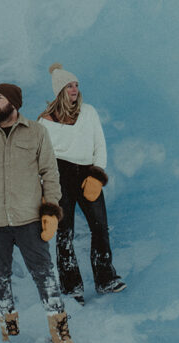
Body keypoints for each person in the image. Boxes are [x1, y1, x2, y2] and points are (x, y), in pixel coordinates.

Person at [0, 82, 83, 343]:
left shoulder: (37, 133)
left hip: (28, 220)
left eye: (0, 98)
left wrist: (51, 211)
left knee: (45, 275)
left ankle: (61, 332)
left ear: (14, 103)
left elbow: (50, 174)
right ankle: (8, 330)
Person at [39, 63, 125, 303]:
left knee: (100, 227)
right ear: (59, 90)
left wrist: (97, 175)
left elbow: (100, 145)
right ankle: (71, 287)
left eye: (76, 85)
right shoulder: (44, 123)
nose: (74, 89)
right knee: (64, 232)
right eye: (69, 86)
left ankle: (106, 278)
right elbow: (42, 159)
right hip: (59, 175)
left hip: (87, 173)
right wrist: (46, 191)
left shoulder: (89, 112)